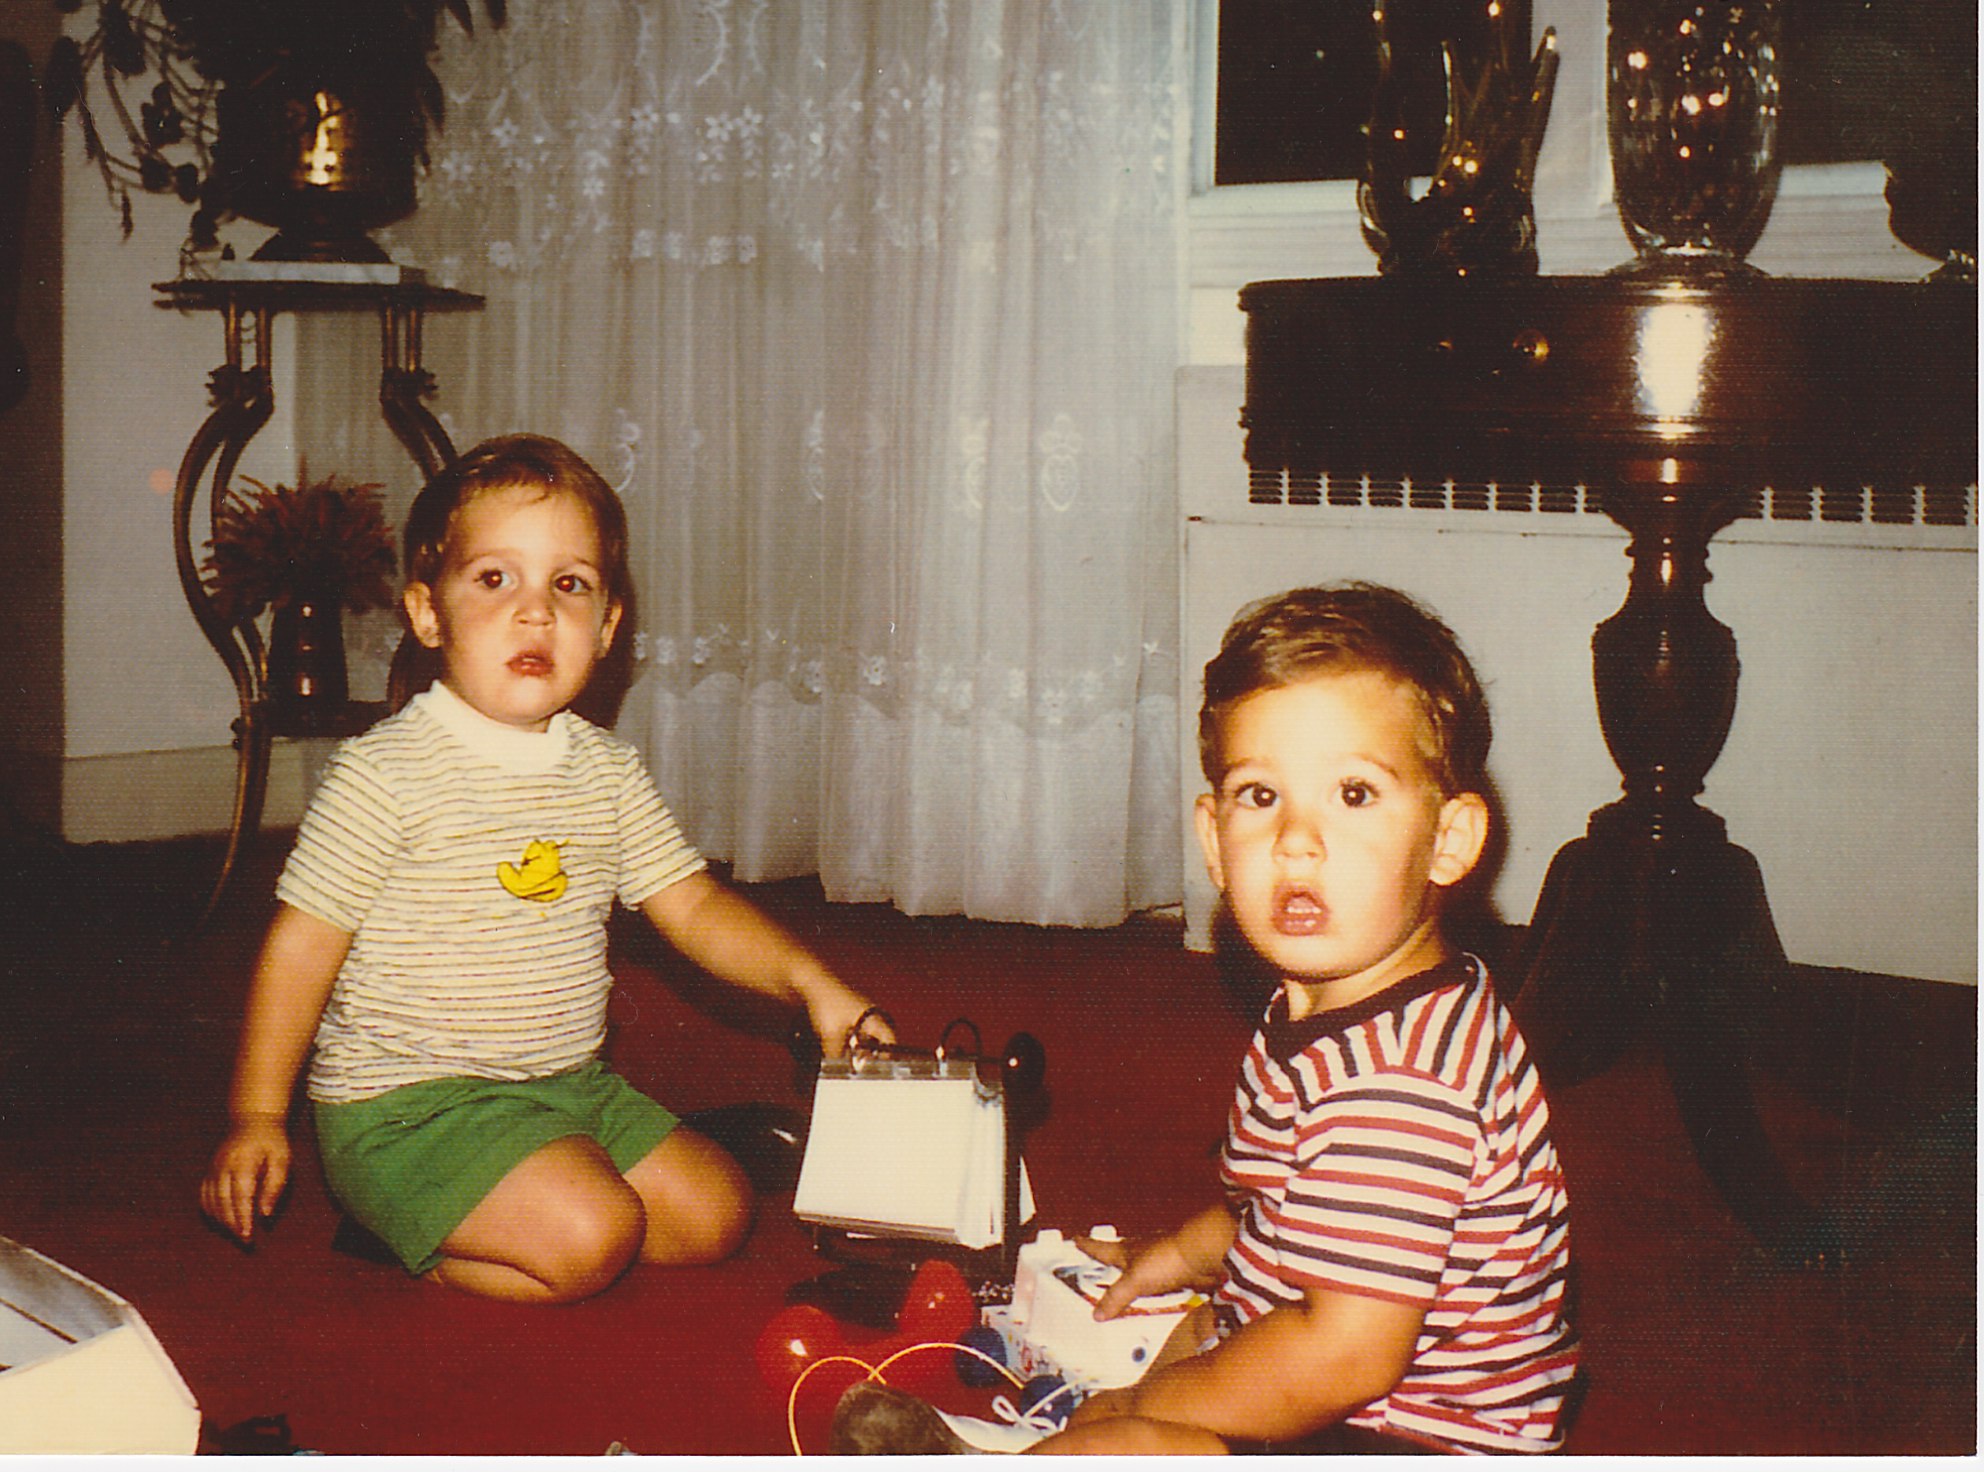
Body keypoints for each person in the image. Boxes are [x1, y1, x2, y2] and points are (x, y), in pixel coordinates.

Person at [835, 583, 1578, 1454]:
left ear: (1449, 840)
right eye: (1261, 797)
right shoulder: (1329, 1001)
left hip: (1408, 1435)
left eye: (1354, 793)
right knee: (1173, 1364)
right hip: (1323, 1363)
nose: (1297, 839)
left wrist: (1151, 1409)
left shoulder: (1403, 1086)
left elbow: (1344, 1360)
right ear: (1214, 838)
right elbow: (1278, 1198)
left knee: (1141, 1436)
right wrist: (1181, 1257)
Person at [200, 433, 890, 1305]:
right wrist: (258, 1116)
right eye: (496, 580)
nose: (536, 613)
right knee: (593, 1237)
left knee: (717, 1215)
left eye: (569, 585)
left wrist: (812, 985)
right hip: (408, 1108)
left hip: (566, 1084)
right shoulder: (386, 773)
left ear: (605, 629)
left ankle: (532, 1181)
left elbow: (694, 910)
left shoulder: (604, 771)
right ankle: (401, 1229)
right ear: (426, 614)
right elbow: (302, 947)